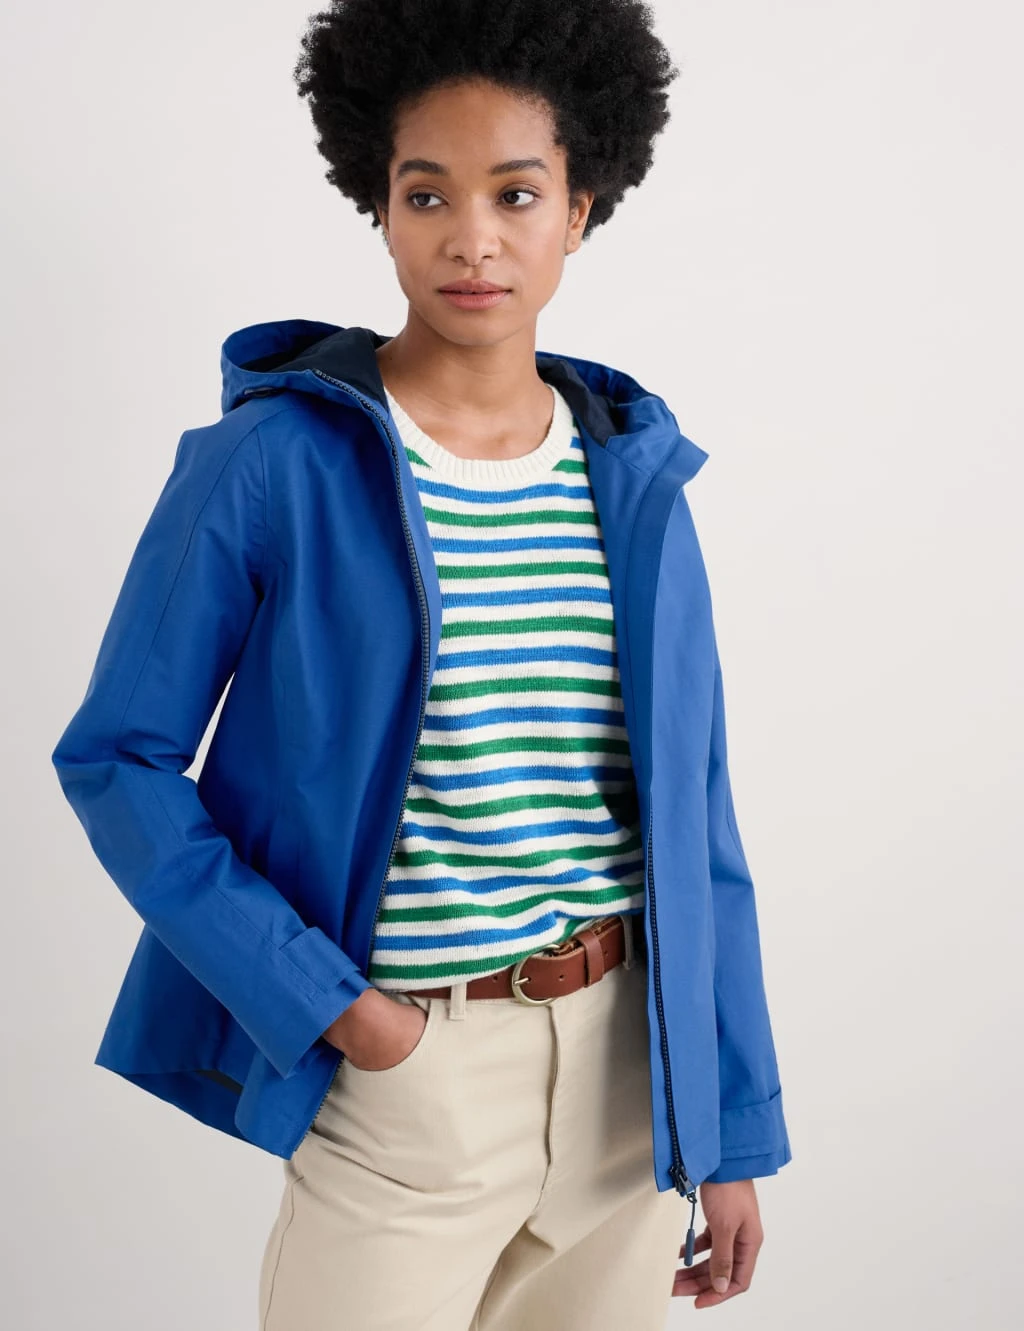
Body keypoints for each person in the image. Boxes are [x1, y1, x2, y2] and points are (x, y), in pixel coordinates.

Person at [51, 1, 792, 1326]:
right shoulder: (270, 463)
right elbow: (120, 760)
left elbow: (697, 816)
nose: (473, 238)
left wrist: (728, 1127)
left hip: (630, 1082)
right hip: (408, 1077)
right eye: (427, 194)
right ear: (379, 208)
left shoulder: (633, 480)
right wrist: (337, 1008)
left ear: (580, 209)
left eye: (517, 193)